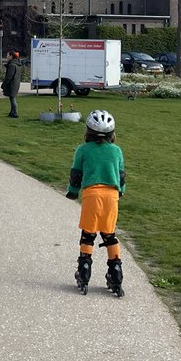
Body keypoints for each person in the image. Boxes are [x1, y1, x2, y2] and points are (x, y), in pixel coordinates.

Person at [65, 109, 126, 297]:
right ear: (112, 134)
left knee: (88, 234)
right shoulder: (116, 151)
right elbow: (121, 175)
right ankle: (116, 274)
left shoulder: (82, 150)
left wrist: (73, 192)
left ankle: (84, 271)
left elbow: (76, 174)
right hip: (111, 196)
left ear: (88, 132)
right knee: (109, 235)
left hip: (91, 195)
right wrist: (121, 191)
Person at [1, 50, 23, 118]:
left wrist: (4, 84)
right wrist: (6, 65)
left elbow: (9, 76)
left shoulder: (12, 65)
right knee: (11, 98)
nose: (6, 57)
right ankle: (12, 112)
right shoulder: (16, 63)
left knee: (12, 98)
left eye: (7, 55)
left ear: (11, 56)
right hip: (15, 83)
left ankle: (15, 113)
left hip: (12, 84)